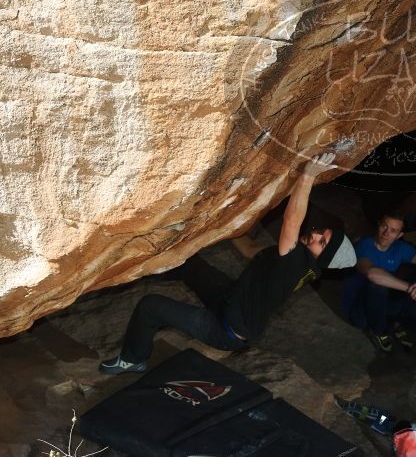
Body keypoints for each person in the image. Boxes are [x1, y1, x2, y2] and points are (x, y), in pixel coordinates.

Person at [99, 153, 356, 374]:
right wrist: (224, 224)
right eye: (323, 233)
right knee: (189, 265)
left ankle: (132, 359)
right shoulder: (301, 263)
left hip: (225, 330)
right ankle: (135, 272)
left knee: (150, 306)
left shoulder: (298, 261)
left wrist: (308, 176)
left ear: (322, 257)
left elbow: (291, 222)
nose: (315, 235)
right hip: (230, 300)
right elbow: (252, 250)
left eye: (321, 242)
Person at [343, 209, 416, 353]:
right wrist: (411, 288)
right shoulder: (363, 245)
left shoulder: (399, 248)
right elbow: (372, 274)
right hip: (361, 308)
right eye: (384, 226)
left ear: (399, 235)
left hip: (382, 302)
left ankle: (396, 323)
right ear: (378, 225)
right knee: (377, 286)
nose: (386, 233)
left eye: (393, 231)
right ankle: (379, 330)